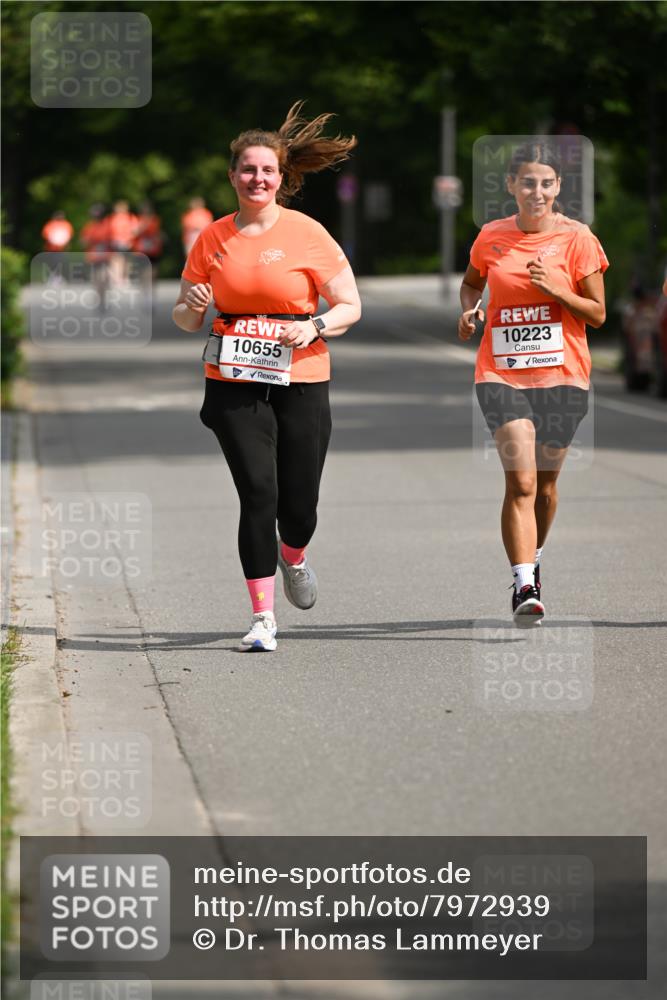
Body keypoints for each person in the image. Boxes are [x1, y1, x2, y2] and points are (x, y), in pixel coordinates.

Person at [172, 102, 361, 651]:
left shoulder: (308, 233)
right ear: (232, 176)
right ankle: (262, 618)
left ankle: (294, 554)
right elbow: (185, 320)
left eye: (268, 171)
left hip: (301, 374)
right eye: (248, 170)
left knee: (298, 504)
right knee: (258, 492)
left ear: (282, 178)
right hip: (232, 375)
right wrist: (195, 305)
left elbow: (350, 305)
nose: (258, 178)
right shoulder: (211, 238)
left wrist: (316, 326)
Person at [458, 142, 608, 626]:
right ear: (511, 187)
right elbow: (472, 283)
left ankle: (534, 555)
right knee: (520, 481)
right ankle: (524, 582)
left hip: (563, 375)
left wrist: (557, 290)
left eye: (546, 183)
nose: (537, 191)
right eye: (527, 182)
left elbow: (599, 314)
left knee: (545, 488)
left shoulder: (578, 238)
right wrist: (469, 311)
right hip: (501, 373)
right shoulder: (491, 236)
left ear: (558, 187)